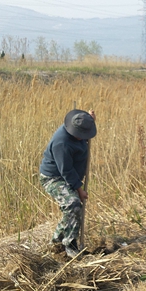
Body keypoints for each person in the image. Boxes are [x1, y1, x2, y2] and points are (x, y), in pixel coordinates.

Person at [40, 109, 97, 258]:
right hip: (54, 177)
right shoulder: (61, 142)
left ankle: (56, 241)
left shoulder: (79, 127)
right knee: (73, 204)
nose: (83, 137)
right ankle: (70, 245)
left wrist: (90, 120)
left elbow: (84, 122)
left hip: (68, 175)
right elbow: (66, 170)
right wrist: (79, 189)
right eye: (81, 134)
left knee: (71, 209)